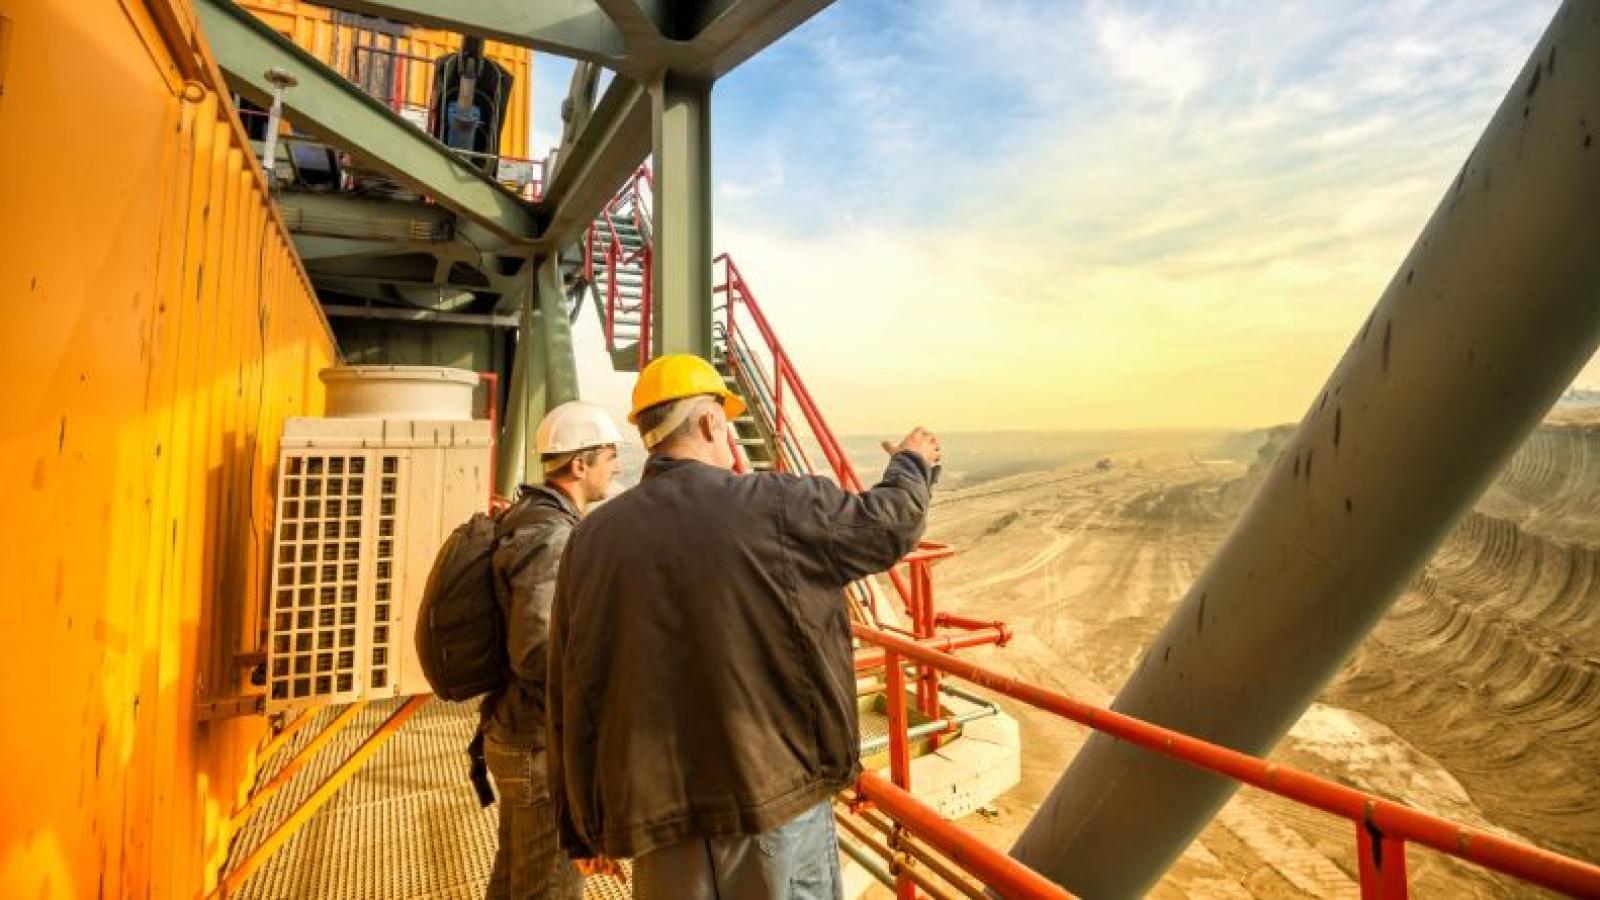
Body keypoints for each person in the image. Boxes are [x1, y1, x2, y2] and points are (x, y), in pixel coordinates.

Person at [546, 354, 942, 900]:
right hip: (774, 799)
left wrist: (579, 827)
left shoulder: (590, 540)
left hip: (659, 820)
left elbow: (568, 689)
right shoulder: (778, 505)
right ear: (711, 422)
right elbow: (889, 526)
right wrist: (913, 465)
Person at [482, 400, 623, 899]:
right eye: (609, 454)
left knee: (514, 879)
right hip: (537, 749)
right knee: (550, 889)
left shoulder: (527, 516)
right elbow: (538, 651)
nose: (617, 465)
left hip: (514, 732)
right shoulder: (552, 536)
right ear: (579, 465)